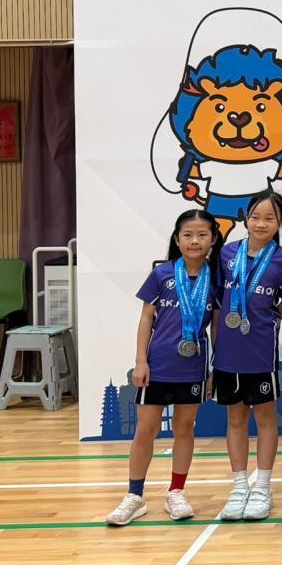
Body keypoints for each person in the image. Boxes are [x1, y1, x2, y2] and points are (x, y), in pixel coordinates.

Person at [106, 210, 221, 526]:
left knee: (184, 427)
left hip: (193, 367)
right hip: (157, 365)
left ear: (213, 239)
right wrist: (140, 361)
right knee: (146, 429)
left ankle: (176, 492)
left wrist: (214, 368)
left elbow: (216, 328)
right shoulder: (162, 274)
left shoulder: (216, 280)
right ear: (177, 239)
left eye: (202, 235)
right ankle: (134, 496)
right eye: (187, 235)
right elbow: (146, 318)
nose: (194, 241)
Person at [211, 189, 282, 522]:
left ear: (281, 222)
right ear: (245, 219)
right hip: (228, 352)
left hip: (260, 351)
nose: (261, 224)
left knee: (265, 418)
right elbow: (219, 301)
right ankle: (239, 487)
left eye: (269, 218)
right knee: (235, 418)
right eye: (255, 217)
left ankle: (262, 487)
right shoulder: (227, 253)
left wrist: (273, 316)